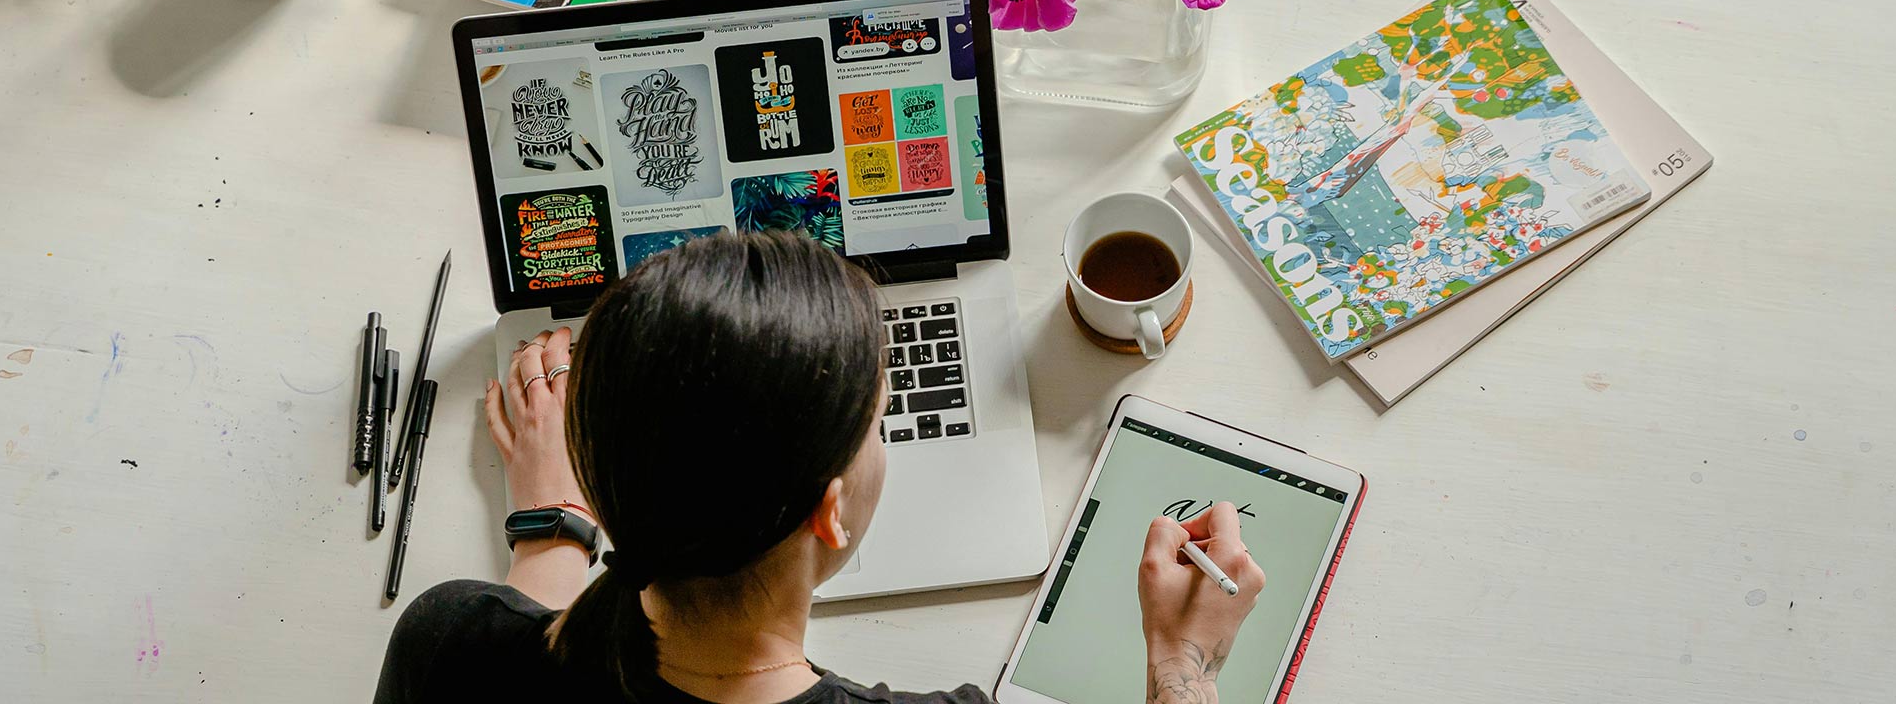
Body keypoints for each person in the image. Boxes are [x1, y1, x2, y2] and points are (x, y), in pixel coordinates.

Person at [375, 231, 1267, 704]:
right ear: (828, 512)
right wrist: (1183, 661)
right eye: (878, 421)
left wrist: (550, 520)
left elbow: (533, 647)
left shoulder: (449, 645)